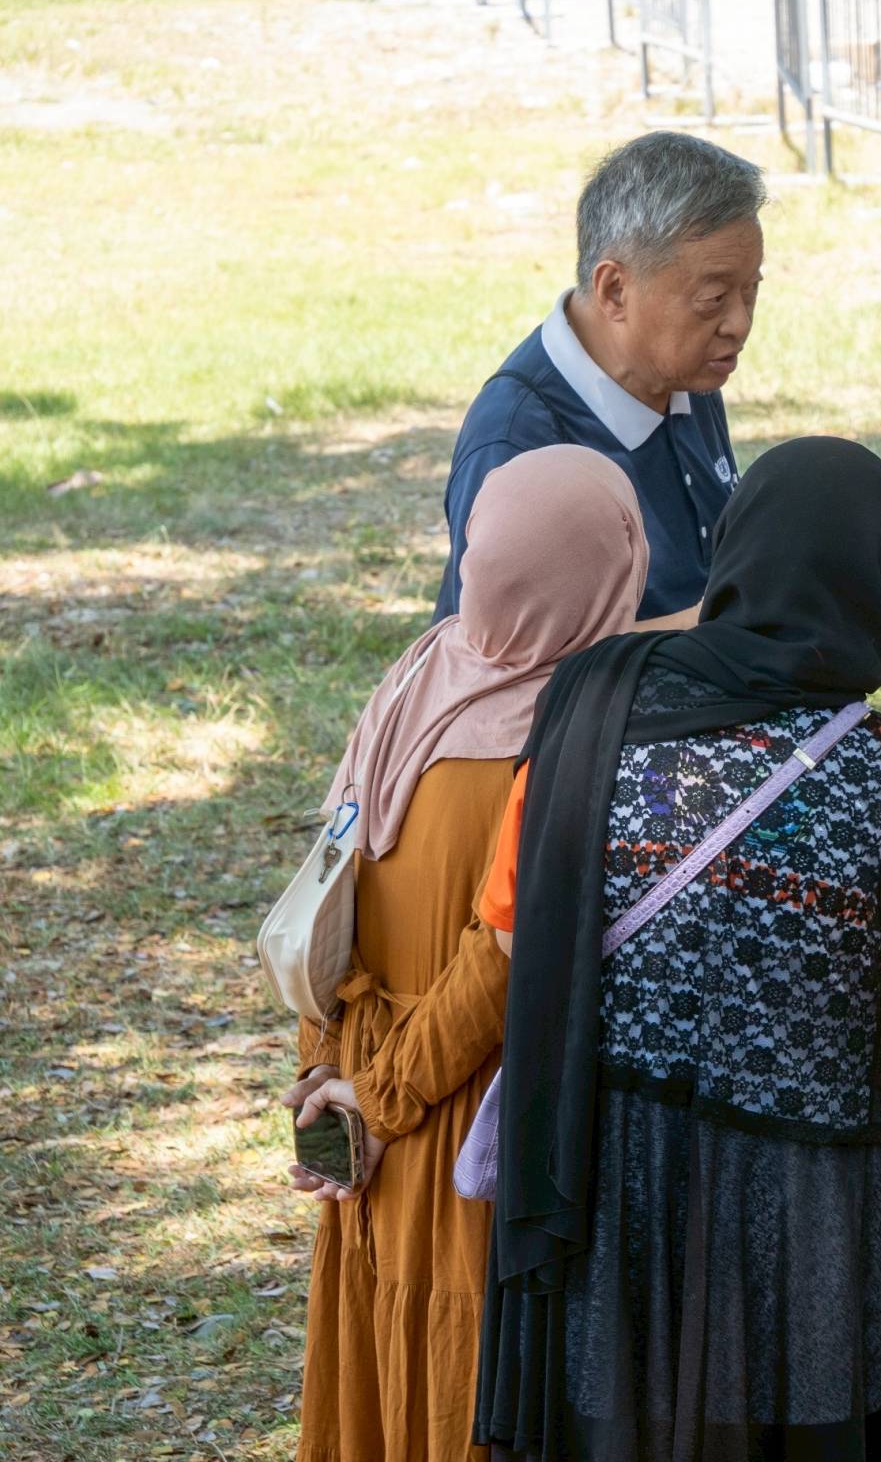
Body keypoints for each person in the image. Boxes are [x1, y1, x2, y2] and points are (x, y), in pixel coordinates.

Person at [471, 437, 881, 1461]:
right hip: (805, 1212)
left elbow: (513, 930)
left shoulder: (588, 722)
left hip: (604, 1181)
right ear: (878, 586)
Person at [285, 446, 650, 1462]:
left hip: (356, 1090)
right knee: (460, 1378)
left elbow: (327, 886)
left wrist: (323, 1076)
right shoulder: (567, 730)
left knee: (375, 1357)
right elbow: (498, 966)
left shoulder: (420, 671)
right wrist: (389, 1098)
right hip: (466, 1123)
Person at [431, 131, 767, 627]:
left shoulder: (683, 373)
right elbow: (505, 669)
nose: (738, 323)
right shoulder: (518, 441)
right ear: (614, 290)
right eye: (713, 299)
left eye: (751, 290)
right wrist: (734, 624)